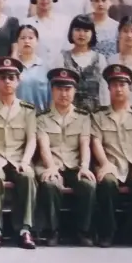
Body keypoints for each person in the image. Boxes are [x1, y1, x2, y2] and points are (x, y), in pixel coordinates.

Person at [0, 57, 38, 249]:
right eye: (2, 77)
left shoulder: (27, 109)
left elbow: (32, 139)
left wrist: (26, 161)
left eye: (11, 77)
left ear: (18, 81)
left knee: (27, 176)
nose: (7, 81)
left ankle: (25, 230)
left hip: (19, 157)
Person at [90, 64, 132, 248]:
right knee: (108, 183)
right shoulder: (99, 116)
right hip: (110, 163)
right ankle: (108, 232)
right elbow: (96, 142)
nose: (119, 89)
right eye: (114, 85)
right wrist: (104, 163)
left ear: (130, 88)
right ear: (109, 88)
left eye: (123, 85)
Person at [33, 68, 97, 247]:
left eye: (68, 89)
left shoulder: (83, 117)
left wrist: (85, 166)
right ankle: (52, 230)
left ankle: (82, 231)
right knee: (51, 183)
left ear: (74, 91)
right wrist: (51, 166)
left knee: (88, 184)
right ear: (52, 91)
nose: (64, 93)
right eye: (59, 89)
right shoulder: (42, 118)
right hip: (49, 163)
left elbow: (85, 144)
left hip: (74, 164)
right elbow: (44, 145)